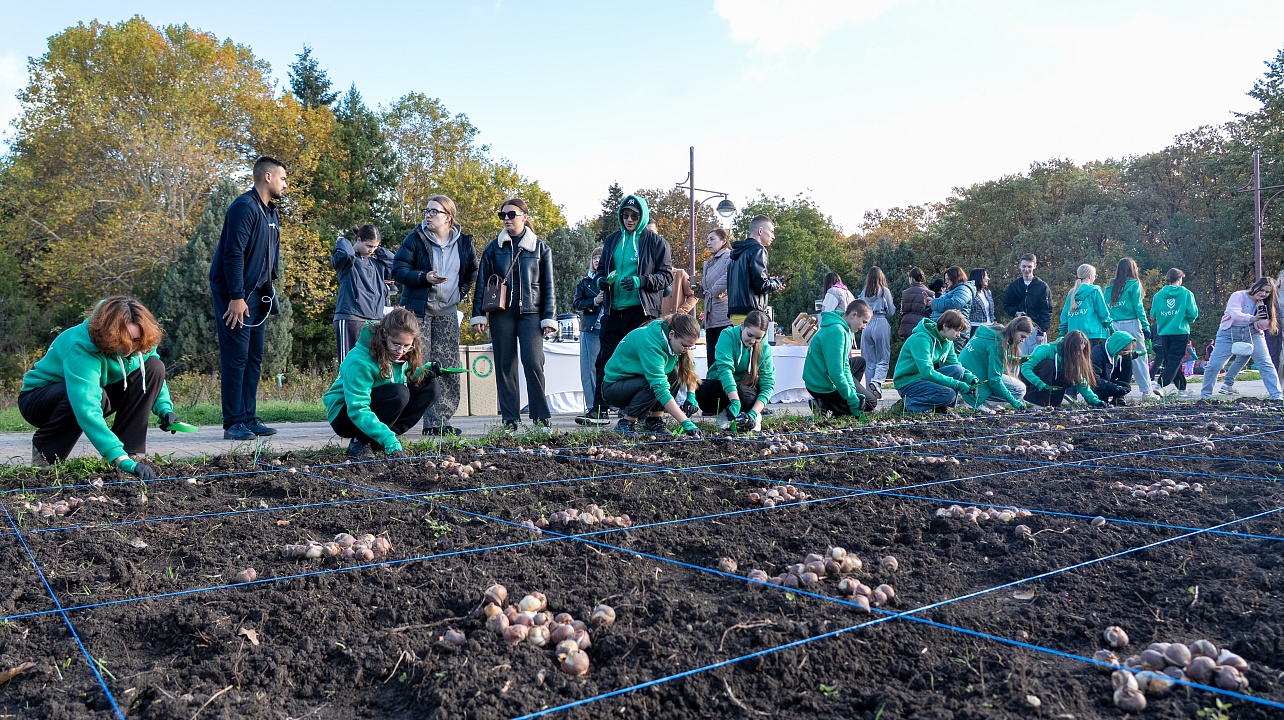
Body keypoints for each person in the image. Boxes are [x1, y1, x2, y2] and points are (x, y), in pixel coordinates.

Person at [20, 297, 185, 476]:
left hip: (94, 392)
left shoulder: (141, 340)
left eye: (136, 340)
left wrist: (164, 409)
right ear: (110, 334)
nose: (130, 347)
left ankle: (129, 452)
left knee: (154, 365)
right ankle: (46, 455)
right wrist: (117, 457)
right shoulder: (81, 346)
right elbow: (86, 406)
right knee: (75, 396)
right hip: (39, 399)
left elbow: (148, 374)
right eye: (124, 340)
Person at [578, 195, 673, 426]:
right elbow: (602, 271)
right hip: (613, 311)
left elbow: (666, 276)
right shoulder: (612, 240)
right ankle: (599, 410)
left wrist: (641, 281)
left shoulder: (656, 242)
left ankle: (639, 412)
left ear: (643, 217)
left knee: (641, 362)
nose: (629, 220)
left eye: (635, 216)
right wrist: (600, 281)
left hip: (641, 312)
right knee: (604, 360)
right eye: (625, 215)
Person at [208, 156, 286, 441]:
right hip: (236, 295)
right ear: (267, 177)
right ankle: (233, 423)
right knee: (236, 357)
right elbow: (233, 254)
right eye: (282, 179)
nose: (285, 185)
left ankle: (249, 418)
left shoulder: (270, 213)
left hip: (258, 296)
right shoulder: (244, 207)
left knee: (253, 358)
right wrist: (236, 297)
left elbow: (267, 257)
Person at [393, 195, 479, 437]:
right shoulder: (416, 239)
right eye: (426, 211)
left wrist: (458, 294)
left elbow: (472, 271)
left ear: (448, 217)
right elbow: (398, 270)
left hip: (447, 313)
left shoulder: (464, 244)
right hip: (417, 312)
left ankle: (439, 421)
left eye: (434, 211)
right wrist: (424, 277)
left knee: (447, 365)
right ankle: (407, 418)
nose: (428, 215)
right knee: (418, 364)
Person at [470, 198, 558, 430]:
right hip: (501, 314)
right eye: (503, 215)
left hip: (532, 313)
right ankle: (510, 419)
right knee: (504, 365)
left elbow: (548, 286)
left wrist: (549, 317)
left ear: (524, 217)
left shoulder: (540, 248)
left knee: (533, 361)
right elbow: (482, 283)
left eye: (511, 214)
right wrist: (478, 315)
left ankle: (540, 416)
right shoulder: (493, 248)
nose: (506, 219)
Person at [323, 309, 446, 459]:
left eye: (407, 345)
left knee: (430, 388)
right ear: (384, 334)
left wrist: (425, 372)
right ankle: (360, 442)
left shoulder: (400, 353)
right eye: (396, 344)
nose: (401, 351)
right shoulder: (360, 362)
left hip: (374, 404)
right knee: (399, 393)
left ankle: (380, 441)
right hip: (345, 414)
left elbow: (399, 375)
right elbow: (357, 408)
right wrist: (386, 437)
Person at [601, 313, 703, 437]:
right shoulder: (650, 343)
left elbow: (690, 370)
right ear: (672, 334)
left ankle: (655, 421)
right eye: (685, 346)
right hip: (614, 389)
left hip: (637, 381)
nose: (686, 350)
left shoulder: (677, 343)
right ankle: (626, 423)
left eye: (690, 347)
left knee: (674, 373)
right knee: (652, 383)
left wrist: (691, 396)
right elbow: (660, 387)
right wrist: (686, 422)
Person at [1200, 278, 1284, 401]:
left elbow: (1263, 326)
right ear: (1255, 286)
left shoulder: (1264, 303)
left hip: (1253, 333)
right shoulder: (1239, 295)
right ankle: (1205, 396)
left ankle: (1277, 396)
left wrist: (1262, 315)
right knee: (1214, 365)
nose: (1263, 294)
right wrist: (1252, 318)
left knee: (1266, 364)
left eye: (1267, 292)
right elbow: (1234, 314)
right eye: (1261, 290)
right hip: (1228, 333)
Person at [696, 310, 775, 431]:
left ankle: (751, 415)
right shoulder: (727, 335)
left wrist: (754, 413)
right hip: (723, 383)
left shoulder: (765, 349)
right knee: (701, 388)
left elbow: (767, 384)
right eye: (749, 335)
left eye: (758, 338)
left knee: (743, 393)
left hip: (745, 388)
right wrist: (734, 401)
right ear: (743, 326)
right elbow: (725, 370)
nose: (752, 341)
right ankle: (725, 411)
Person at [893, 309, 977, 414]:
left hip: (922, 379)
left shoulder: (947, 341)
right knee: (949, 395)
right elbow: (927, 372)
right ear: (945, 326)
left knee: (957, 370)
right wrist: (957, 384)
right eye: (956, 330)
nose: (958, 335)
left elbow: (954, 364)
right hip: (907, 382)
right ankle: (907, 404)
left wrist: (970, 378)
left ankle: (942, 408)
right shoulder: (921, 339)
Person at [804, 300, 878, 418]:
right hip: (820, 386)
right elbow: (836, 373)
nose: (864, 327)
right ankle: (825, 405)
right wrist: (853, 400)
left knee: (859, 362)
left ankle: (833, 403)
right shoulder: (836, 332)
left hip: (820, 378)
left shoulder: (842, 328)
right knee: (870, 402)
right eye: (864, 322)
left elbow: (845, 366)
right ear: (854, 315)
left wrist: (852, 391)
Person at [333, 224, 394, 364]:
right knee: (349, 365)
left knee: (375, 365)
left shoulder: (376, 264)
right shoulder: (348, 262)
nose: (371, 250)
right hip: (351, 318)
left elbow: (394, 264)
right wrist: (342, 240)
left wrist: (378, 249)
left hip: (375, 320)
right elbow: (346, 253)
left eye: (375, 247)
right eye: (369, 246)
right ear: (358, 240)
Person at [1108, 257, 1159, 399]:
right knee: (1139, 357)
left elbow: (1107, 307)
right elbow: (1138, 307)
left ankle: (1111, 389)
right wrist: (1145, 326)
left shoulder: (1110, 286)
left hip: (1114, 324)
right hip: (1131, 323)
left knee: (1115, 358)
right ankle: (1146, 391)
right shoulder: (1133, 284)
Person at [958, 316, 1033, 412]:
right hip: (972, 382)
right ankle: (979, 402)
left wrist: (1017, 359)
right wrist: (1014, 402)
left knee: (1011, 369)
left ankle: (984, 401)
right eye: (1022, 336)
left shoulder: (992, 333)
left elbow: (988, 356)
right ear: (1014, 329)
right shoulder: (998, 344)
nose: (1023, 340)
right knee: (1020, 389)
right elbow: (994, 380)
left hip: (964, 375)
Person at [1020, 330, 1104, 408]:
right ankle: (1036, 402)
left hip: (1054, 390)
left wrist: (1095, 400)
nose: (1079, 354)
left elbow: (1080, 382)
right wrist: (1039, 384)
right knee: (1048, 364)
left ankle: (1053, 404)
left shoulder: (1073, 358)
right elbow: (1025, 367)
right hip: (1035, 385)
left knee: (1067, 371)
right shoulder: (1046, 349)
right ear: (1070, 347)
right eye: (1077, 350)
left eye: (1081, 351)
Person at [1150, 268, 1199, 397]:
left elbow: (1153, 313)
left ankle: (1182, 389)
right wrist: (1185, 320)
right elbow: (1193, 313)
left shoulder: (1158, 295)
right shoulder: (1186, 293)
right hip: (1180, 331)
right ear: (1180, 278)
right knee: (1175, 360)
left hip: (1164, 332)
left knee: (1171, 361)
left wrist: (1165, 318)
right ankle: (1160, 384)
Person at [727, 215, 783, 325]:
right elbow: (761, 285)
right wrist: (776, 283)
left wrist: (769, 281)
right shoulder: (758, 250)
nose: (773, 236)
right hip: (752, 314)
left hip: (735, 312)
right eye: (771, 232)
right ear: (760, 231)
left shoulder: (737, 253)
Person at [573, 247, 606, 415]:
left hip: (609, 329)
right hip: (591, 330)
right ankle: (593, 406)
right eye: (594, 258)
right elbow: (577, 303)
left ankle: (613, 405)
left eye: (600, 257)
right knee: (589, 369)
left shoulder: (612, 280)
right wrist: (594, 301)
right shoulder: (584, 283)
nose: (597, 260)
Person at [1003, 253, 1053, 356]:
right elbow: (1007, 305)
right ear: (1020, 266)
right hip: (1019, 329)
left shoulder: (1042, 287)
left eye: (1029, 267)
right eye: (1024, 266)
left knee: (1038, 359)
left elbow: (1046, 311)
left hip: (1036, 330)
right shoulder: (1014, 286)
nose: (1026, 269)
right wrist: (1015, 312)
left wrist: (1041, 332)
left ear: (1035, 266)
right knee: (1020, 359)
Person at [694, 229, 732, 354]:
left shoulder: (730, 257)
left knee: (723, 356)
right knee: (712, 357)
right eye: (707, 240)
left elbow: (729, 278)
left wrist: (715, 291)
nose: (708, 243)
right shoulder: (710, 262)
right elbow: (707, 292)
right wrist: (698, 289)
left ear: (724, 241)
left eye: (712, 239)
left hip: (724, 316)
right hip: (710, 317)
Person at [857, 267, 896, 389]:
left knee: (869, 361)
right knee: (883, 358)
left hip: (866, 324)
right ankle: (877, 381)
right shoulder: (884, 291)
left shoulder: (864, 292)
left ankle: (870, 392)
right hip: (880, 321)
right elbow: (891, 312)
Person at [1060, 264, 1112, 347]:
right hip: (1093, 334)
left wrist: (1062, 333)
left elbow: (1065, 316)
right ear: (1090, 276)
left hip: (1073, 336)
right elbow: (1103, 313)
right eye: (1095, 275)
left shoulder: (1071, 293)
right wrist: (1111, 328)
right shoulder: (1095, 291)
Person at [1089, 330, 1139, 406]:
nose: (1125, 353)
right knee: (1102, 401)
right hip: (1097, 386)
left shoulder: (1114, 352)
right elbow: (1094, 380)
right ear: (1117, 346)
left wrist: (1128, 357)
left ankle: (1118, 399)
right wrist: (1114, 387)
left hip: (1107, 380)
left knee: (1126, 386)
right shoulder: (1097, 355)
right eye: (1125, 351)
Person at [899, 267, 934, 339]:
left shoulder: (905, 293)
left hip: (907, 327)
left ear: (911, 279)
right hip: (922, 327)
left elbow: (902, 310)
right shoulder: (930, 293)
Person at [967, 268, 995, 336]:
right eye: (985, 276)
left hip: (990, 327)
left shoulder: (987, 292)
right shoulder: (970, 292)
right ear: (979, 277)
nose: (988, 278)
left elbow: (991, 312)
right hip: (976, 328)